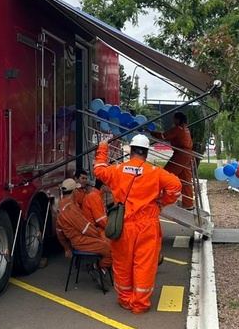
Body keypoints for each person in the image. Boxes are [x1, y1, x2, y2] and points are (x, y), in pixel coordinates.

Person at [94, 133, 181, 314]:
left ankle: (125, 299)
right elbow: (176, 186)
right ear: (146, 154)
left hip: (123, 224)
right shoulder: (156, 173)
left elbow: (99, 170)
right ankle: (139, 304)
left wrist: (103, 147)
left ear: (131, 151)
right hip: (147, 225)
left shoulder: (117, 170)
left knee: (122, 262)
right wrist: (162, 203)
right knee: (144, 264)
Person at [54, 177, 112, 290]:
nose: (78, 191)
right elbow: (86, 228)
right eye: (77, 189)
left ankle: (99, 269)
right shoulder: (70, 208)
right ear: (73, 191)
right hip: (81, 240)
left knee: (107, 245)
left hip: (78, 240)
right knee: (111, 248)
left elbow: (59, 231)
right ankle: (97, 268)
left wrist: (66, 248)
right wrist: (99, 236)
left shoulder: (62, 206)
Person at [150, 112, 195, 210]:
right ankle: (188, 204)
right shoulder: (185, 128)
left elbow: (163, 136)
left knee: (165, 174)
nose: (173, 121)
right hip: (188, 155)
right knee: (186, 180)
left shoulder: (178, 129)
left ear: (178, 120)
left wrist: (150, 132)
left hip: (181, 155)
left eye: (174, 119)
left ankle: (157, 197)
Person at [73, 169, 109, 234]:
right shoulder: (78, 194)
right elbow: (100, 220)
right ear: (76, 179)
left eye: (86, 178)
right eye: (83, 178)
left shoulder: (86, 192)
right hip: (88, 228)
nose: (85, 180)